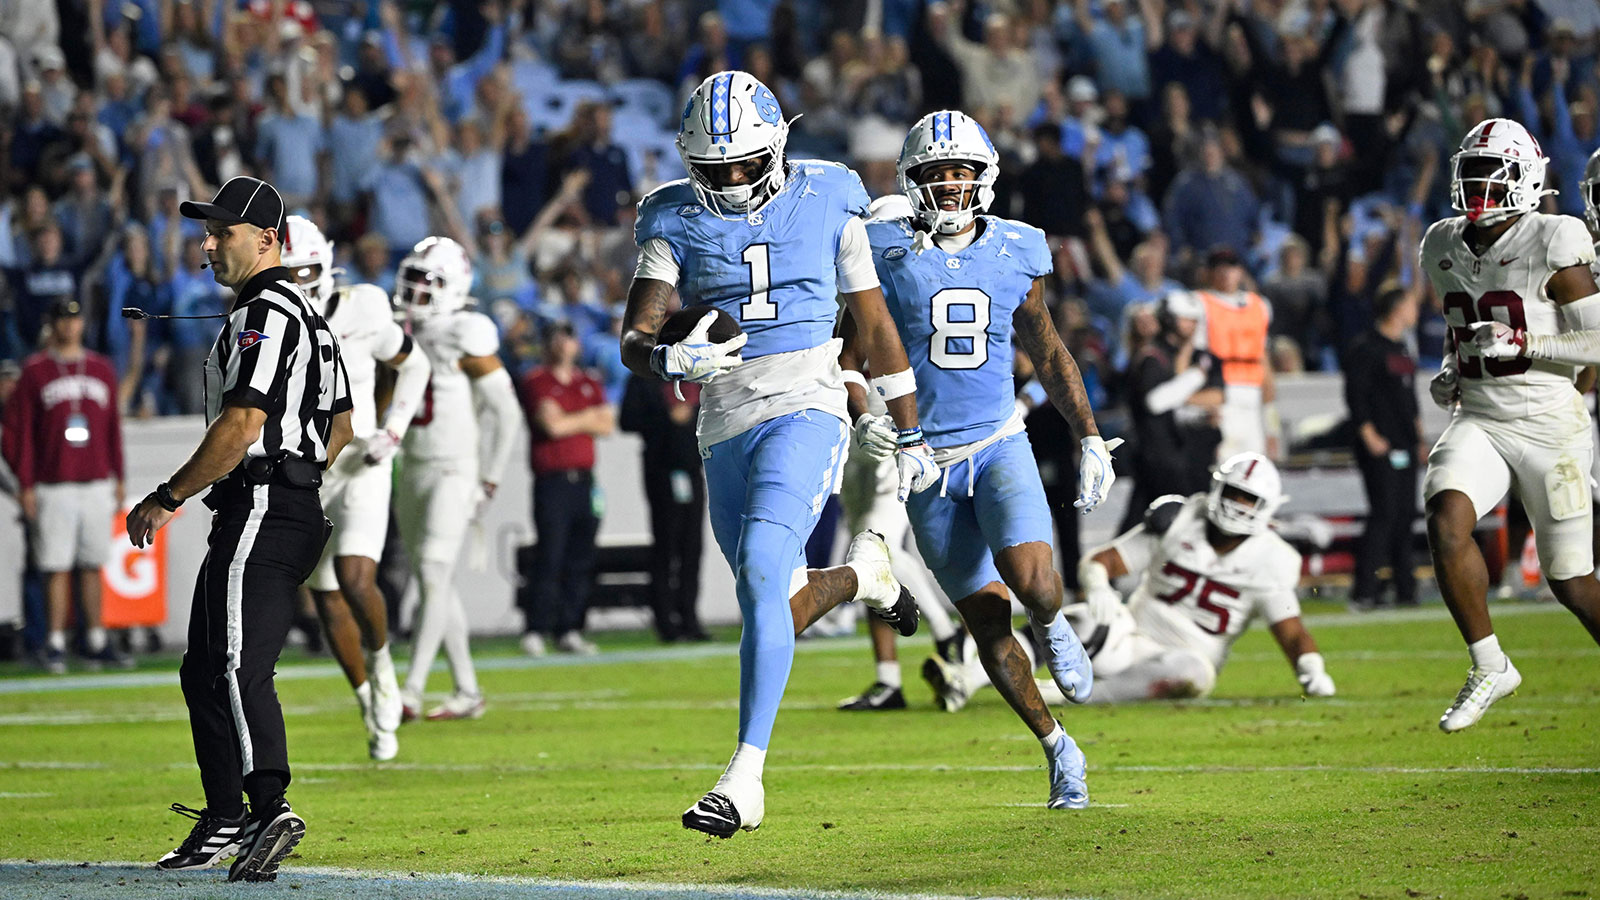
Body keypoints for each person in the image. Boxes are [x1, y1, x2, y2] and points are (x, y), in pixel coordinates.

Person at [620, 70, 937, 838]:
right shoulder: (669, 214)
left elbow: (873, 317)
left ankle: (745, 777)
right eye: (714, 168)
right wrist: (667, 361)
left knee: (764, 567)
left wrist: (908, 423)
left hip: (808, 397)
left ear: (778, 147)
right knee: (773, 594)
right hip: (724, 416)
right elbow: (635, 336)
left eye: (743, 164)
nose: (729, 179)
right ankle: (863, 571)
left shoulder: (831, 193)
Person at [856, 110, 1119, 809]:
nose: (950, 185)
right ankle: (1058, 746)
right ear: (913, 181)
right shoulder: (877, 247)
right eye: (937, 174)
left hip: (997, 442)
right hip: (925, 464)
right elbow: (845, 352)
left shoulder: (1016, 249)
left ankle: (1057, 625)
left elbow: (1049, 347)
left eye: (962, 172)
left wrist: (1088, 434)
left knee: (1034, 584)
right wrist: (863, 417)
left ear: (985, 178)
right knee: (988, 625)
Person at [126, 176, 353, 882]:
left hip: (260, 506)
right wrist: (302, 471)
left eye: (221, 232)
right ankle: (225, 816)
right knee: (204, 667)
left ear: (266, 239)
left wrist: (168, 497)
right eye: (207, 232)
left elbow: (242, 422)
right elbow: (342, 425)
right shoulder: (309, 315)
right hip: (284, 505)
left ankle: (268, 807)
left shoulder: (268, 312)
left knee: (230, 665)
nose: (208, 244)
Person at [1429, 118, 1600, 733]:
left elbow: (1598, 340)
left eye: (1491, 173)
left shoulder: (1554, 238)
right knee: (1446, 519)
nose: (1477, 185)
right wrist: (1455, 363)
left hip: (1550, 424)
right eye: (1470, 172)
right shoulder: (1440, 243)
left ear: (1525, 179)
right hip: (1480, 415)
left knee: (1573, 583)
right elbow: (1464, 323)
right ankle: (1489, 663)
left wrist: (1522, 344)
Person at [283, 216, 431, 762]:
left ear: (329, 265)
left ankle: (384, 662)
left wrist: (392, 430)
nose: (300, 281)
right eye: (289, 271)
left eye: (309, 269)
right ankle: (368, 697)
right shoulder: (266, 321)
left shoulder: (365, 305)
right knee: (324, 594)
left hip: (361, 458)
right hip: (305, 470)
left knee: (354, 574)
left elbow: (415, 365)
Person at [1061, 455, 1334, 703]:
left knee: (1192, 673)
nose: (1237, 503)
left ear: (1267, 507)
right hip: (1127, 638)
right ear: (1217, 488)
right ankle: (1019, 673)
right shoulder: (1181, 518)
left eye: (1248, 498)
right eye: (1233, 492)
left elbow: (1291, 630)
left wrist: (1311, 668)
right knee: (1077, 619)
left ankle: (1077, 697)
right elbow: (1104, 560)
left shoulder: (1271, 559)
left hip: (1186, 659)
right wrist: (1098, 587)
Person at [393, 236, 522, 723]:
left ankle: (410, 690)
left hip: (453, 467)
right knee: (436, 583)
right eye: (415, 279)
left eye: (429, 283)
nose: (417, 291)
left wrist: (488, 478)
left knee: (430, 570)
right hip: (411, 465)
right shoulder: (401, 328)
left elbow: (505, 410)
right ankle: (467, 690)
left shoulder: (465, 330)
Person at [0, 297, 129, 673]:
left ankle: (96, 638)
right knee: (54, 565)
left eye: (75, 319)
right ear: (52, 324)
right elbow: (19, 434)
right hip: (52, 482)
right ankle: (54, 641)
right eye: (63, 320)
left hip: (93, 479)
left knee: (93, 563)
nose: (70, 326)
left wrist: (118, 476)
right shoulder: (35, 371)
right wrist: (26, 484)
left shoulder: (101, 368)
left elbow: (111, 430)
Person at [518, 320, 613, 656]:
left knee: (580, 557)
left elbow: (607, 424)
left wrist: (576, 419)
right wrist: (586, 419)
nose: (564, 342)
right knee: (550, 555)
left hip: (584, 480)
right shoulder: (537, 381)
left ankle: (570, 627)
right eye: (557, 336)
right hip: (553, 481)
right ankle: (536, 627)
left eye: (569, 335)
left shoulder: (588, 381)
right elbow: (552, 426)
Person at [1343, 287, 1422, 611]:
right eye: (1410, 305)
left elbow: (1409, 398)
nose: (1415, 312)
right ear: (1396, 309)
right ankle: (1365, 590)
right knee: (1384, 514)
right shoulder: (1366, 348)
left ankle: (1406, 589)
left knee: (1404, 514)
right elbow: (1355, 395)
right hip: (1380, 444)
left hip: (1405, 443)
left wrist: (1419, 439)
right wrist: (1369, 434)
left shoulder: (1402, 348)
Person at [1120, 290, 1224, 531]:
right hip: (1157, 454)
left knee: (1139, 521)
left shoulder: (1165, 355)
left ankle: (1115, 566)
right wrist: (1196, 375)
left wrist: (1199, 415)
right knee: (1182, 518)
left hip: (1164, 452)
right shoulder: (1153, 357)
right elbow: (1155, 402)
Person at [619, 371, 709, 644]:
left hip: (692, 471)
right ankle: (666, 621)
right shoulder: (643, 378)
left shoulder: (697, 375)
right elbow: (627, 420)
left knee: (692, 548)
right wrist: (666, 418)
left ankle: (689, 618)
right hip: (661, 470)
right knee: (666, 546)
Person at [1193, 246, 1278, 460]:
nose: (1225, 273)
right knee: (1225, 465)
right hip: (1221, 393)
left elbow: (1264, 362)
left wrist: (1271, 425)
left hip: (1252, 395)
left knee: (1253, 469)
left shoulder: (1259, 306)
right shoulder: (1199, 303)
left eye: (1230, 267)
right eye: (1218, 268)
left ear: (1240, 271)